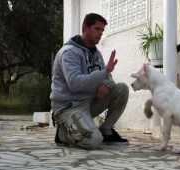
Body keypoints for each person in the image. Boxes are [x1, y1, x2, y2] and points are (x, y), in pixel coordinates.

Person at [50, 13, 129, 149]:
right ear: (85, 28)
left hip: (89, 102)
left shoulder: (95, 53)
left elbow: (108, 79)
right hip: (69, 107)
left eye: (102, 30)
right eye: (97, 29)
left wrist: (105, 83)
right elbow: (74, 83)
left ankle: (106, 130)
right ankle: (63, 132)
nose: (100, 34)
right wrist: (104, 73)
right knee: (93, 140)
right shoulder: (69, 52)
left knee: (121, 89)